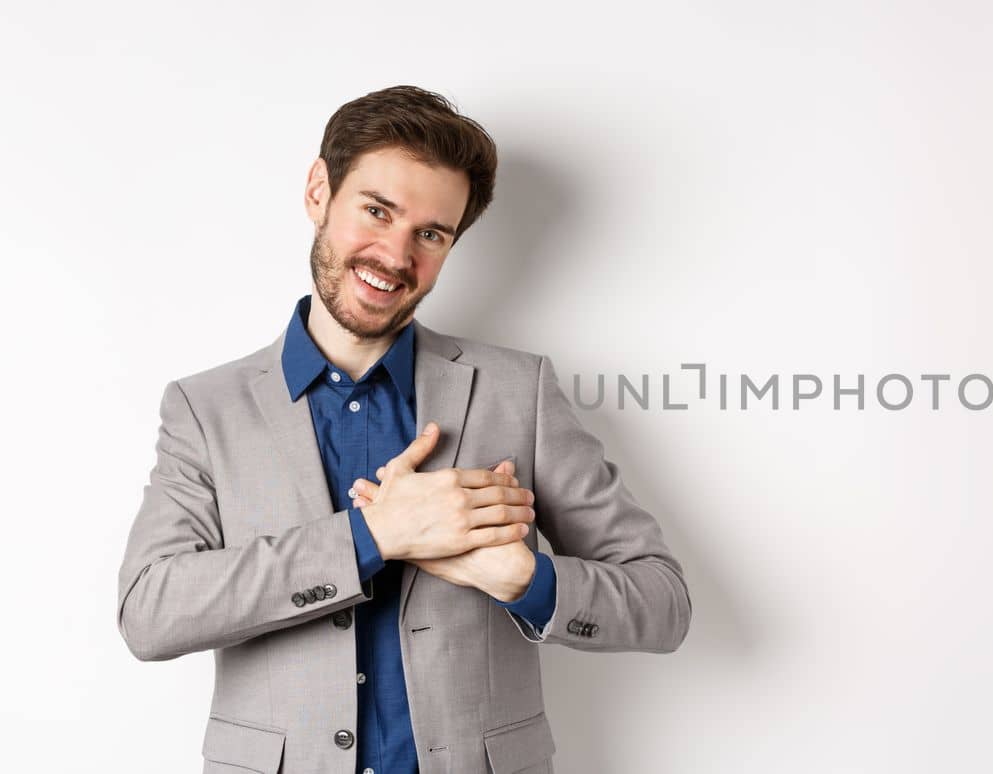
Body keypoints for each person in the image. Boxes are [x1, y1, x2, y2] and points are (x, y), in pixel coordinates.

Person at [115, 85, 692, 774]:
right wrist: (371, 537)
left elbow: (662, 602)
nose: (395, 254)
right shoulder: (205, 409)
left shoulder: (519, 391)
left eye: (431, 234)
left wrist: (525, 579)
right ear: (318, 192)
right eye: (377, 211)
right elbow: (149, 612)